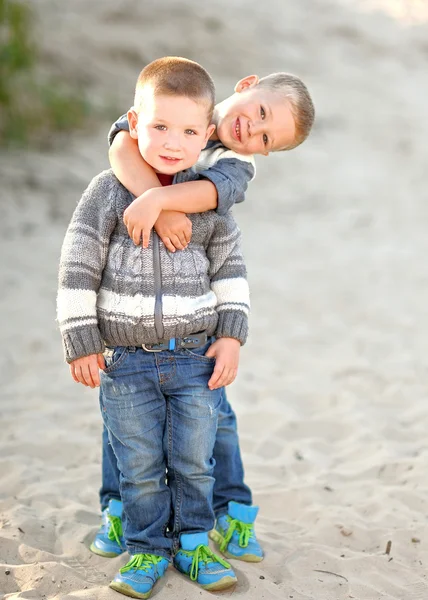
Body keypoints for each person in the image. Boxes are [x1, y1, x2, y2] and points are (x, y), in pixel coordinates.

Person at [92, 67, 316, 565]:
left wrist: (163, 201)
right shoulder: (178, 106)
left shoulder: (236, 164)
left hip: (196, 309)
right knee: (126, 420)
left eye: (265, 138)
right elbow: (120, 144)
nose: (251, 130)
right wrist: (160, 206)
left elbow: (211, 196)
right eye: (259, 112)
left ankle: (230, 507)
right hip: (132, 305)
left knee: (216, 419)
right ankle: (117, 507)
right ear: (246, 84)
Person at [57, 56, 253, 598]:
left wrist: (231, 335)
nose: (173, 141)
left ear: (208, 135)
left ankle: (193, 543)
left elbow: (231, 273)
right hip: (128, 360)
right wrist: (81, 341)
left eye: (190, 130)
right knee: (139, 464)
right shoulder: (106, 192)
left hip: (193, 356)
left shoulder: (208, 197)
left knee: (194, 458)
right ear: (133, 123)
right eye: (160, 126)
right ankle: (145, 550)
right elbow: (78, 268)